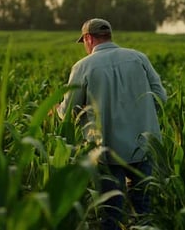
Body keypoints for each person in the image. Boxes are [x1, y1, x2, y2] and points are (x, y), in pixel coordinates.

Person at [56, 18, 167, 229]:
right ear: (108, 35)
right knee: (143, 211)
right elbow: (161, 97)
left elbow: (69, 110)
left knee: (111, 213)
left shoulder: (83, 66)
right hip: (142, 145)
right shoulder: (138, 58)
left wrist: (59, 111)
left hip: (106, 150)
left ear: (88, 38)